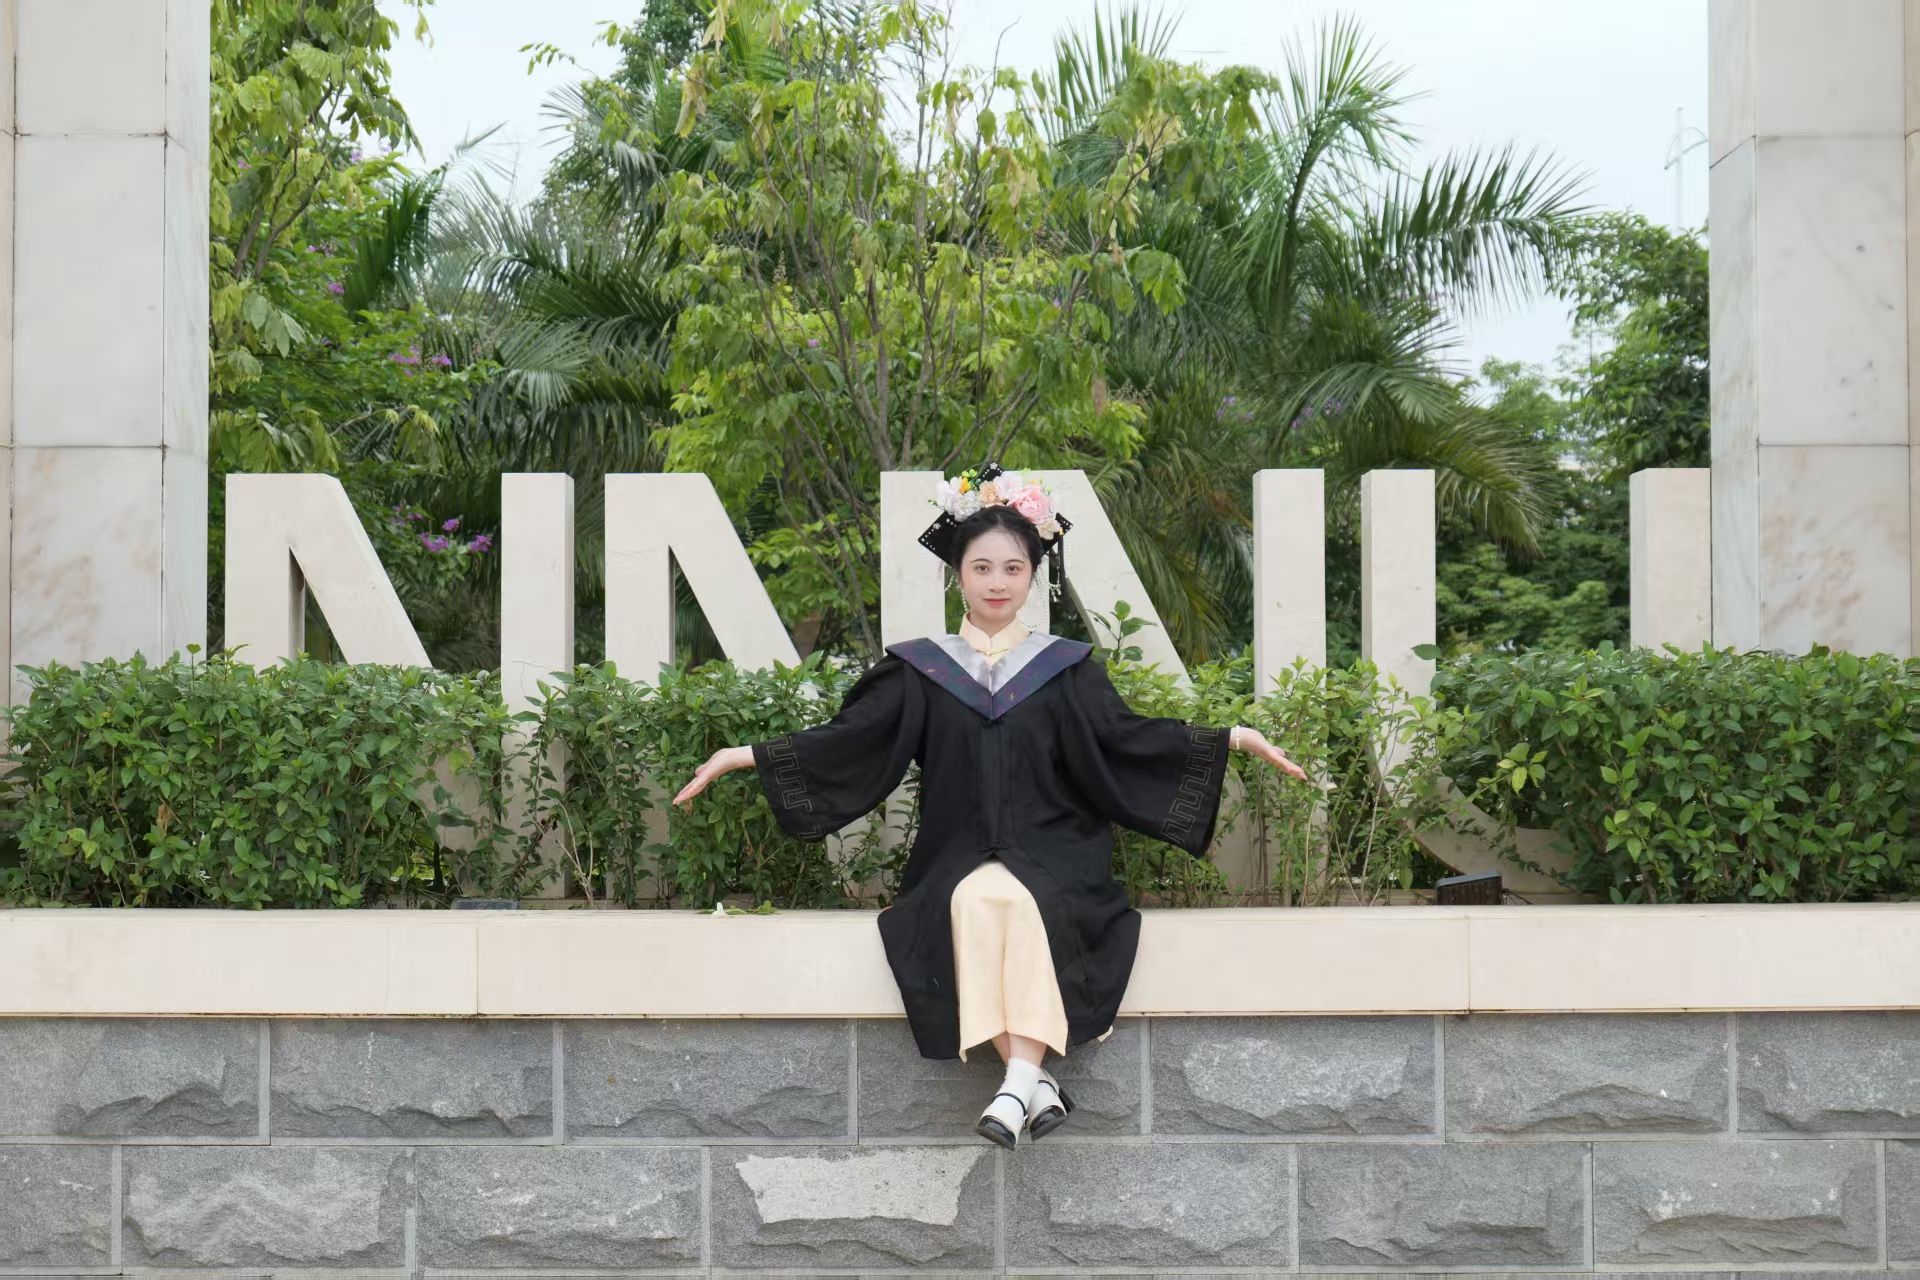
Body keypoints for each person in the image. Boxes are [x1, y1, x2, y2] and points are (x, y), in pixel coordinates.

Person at [671, 462, 1308, 1149]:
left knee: (1016, 899)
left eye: (1012, 568)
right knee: (975, 899)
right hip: (957, 848)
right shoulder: (922, 669)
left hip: (1058, 845)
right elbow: (851, 739)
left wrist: (1231, 737)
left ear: (1033, 575)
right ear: (958, 575)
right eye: (981, 568)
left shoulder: (1065, 668)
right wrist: (746, 755)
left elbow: (1125, 739)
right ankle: (1032, 1082)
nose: (997, 582)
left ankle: (1015, 1086)